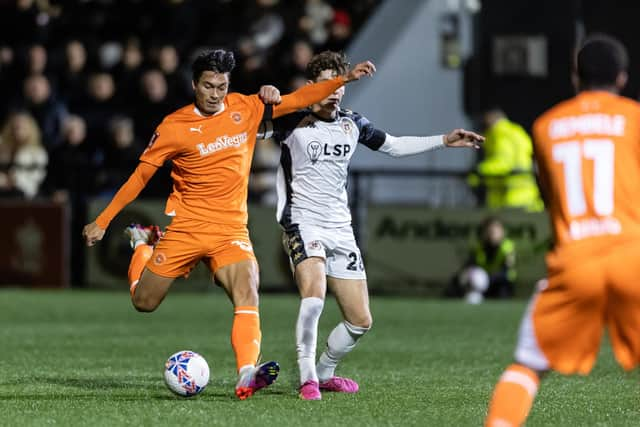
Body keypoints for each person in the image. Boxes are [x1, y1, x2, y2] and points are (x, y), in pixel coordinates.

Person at [81, 48, 376, 400]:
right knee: (144, 302)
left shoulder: (245, 108)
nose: (215, 94)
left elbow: (301, 98)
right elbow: (139, 177)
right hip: (188, 228)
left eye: (221, 86)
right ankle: (144, 244)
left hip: (230, 231)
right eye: (208, 86)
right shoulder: (174, 127)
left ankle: (247, 372)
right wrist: (102, 220)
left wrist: (345, 79)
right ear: (194, 84)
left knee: (248, 288)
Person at [262, 51, 483, 400]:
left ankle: (324, 372)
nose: (334, 92)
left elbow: (393, 145)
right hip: (303, 223)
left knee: (360, 320)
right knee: (314, 298)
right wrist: (265, 97)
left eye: (339, 85)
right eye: (326, 84)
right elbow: (240, 125)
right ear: (310, 88)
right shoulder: (291, 120)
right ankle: (306, 378)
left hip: (340, 229)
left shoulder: (353, 124)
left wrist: (443, 140)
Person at [485, 34, 640, 426]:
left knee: (527, 366)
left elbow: (552, 198)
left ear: (576, 76)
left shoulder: (546, 126)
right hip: (631, 256)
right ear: (622, 78)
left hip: (576, 261)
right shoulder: (634, 118)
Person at [470, 108, 543, 212]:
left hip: (510, 199)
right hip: (529, 196)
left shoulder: (500, 133)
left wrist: (476, 174)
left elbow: (503, 164)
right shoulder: (518, 131)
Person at [454, 216, 516, 304]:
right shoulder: (478, 247)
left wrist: (488, 278)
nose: (492, 234)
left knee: (502, 291)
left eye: (495, 231)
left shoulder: (507, 247)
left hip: (501, 284)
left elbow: (507, 270)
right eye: (489, 231)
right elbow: (469, 266)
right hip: (482, 286)